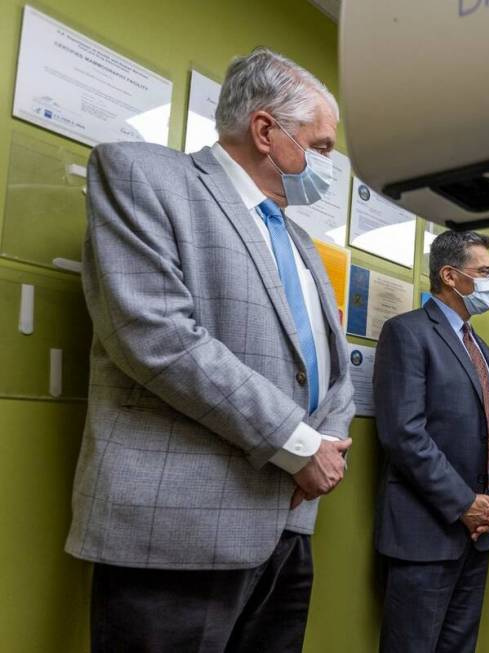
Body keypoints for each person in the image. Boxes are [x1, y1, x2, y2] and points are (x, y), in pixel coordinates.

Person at [65, 49, 356, 651]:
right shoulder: (142, 176)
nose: (328, 164)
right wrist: (301, 446)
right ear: (266, 130)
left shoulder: (300, 240)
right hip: (179, 532)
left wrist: (324, 449)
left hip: (289, 524)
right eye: (321, 146)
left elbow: (334, 371)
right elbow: (155, 336)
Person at [374, 230, 489, 653]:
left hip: (478, 533)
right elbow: (404, 434)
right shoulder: (407, 333)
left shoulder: (481, 348)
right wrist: (463, 504)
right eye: (484, 272)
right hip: (425, 533)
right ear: (450, 276)